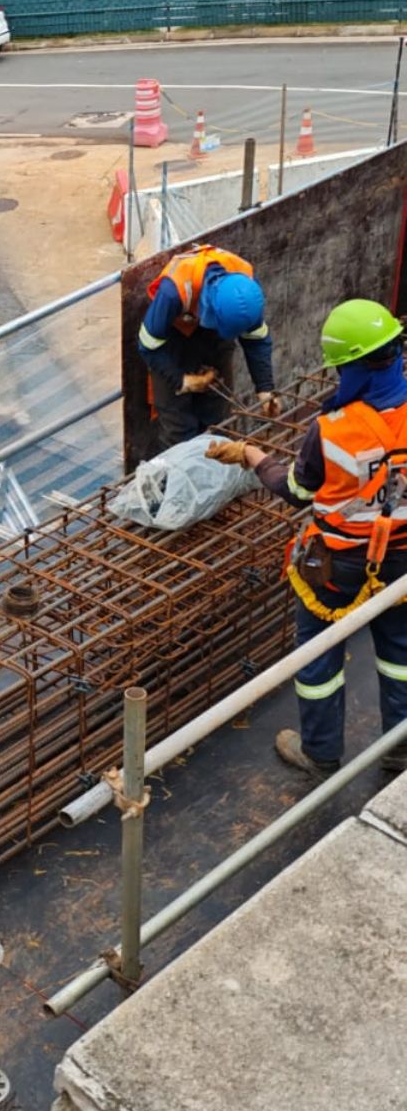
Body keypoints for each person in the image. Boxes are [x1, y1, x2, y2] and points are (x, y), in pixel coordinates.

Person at [207, 298, 407, 775]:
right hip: (402, 556)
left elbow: (296, 491)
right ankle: (400, 746)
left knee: (318, 651)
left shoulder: (331, 430)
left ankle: (319, 751)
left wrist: (252, 455)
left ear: (349, 367)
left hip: (337, 565)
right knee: (400, 653)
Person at [138, 242, 277, 448]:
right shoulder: (173, 291)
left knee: (219, 423)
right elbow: (148, 345)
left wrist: (265, 389)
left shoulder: (245, 291)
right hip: (170, 342)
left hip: (213, 339)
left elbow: (256, 340)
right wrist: (182, 381)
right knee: (178, 430)